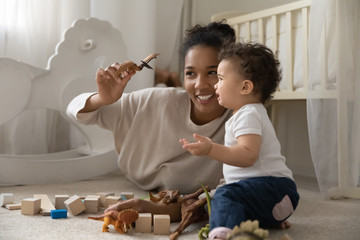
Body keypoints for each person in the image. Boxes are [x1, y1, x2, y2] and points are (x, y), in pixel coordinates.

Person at [66, 21, 236, 220]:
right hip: (137, 174)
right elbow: (74, 108)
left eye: (212, 72)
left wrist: (155, 209)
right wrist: (103, 98)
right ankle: (166, 77)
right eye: (190, 73)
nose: (200, 84)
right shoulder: (156, 101)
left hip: (171, 195)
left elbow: (225, 200)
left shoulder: (240, 123)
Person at [180, 42, 300, 239]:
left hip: (273, 187)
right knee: (229, 201)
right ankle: (269, 216)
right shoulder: (247, 114)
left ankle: (222, 235)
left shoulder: (249, 114)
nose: (215, 85)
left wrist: (210, 149)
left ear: (245, 87)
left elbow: (247, 156)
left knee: (224, 196)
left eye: (220, 79)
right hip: (272, 193)